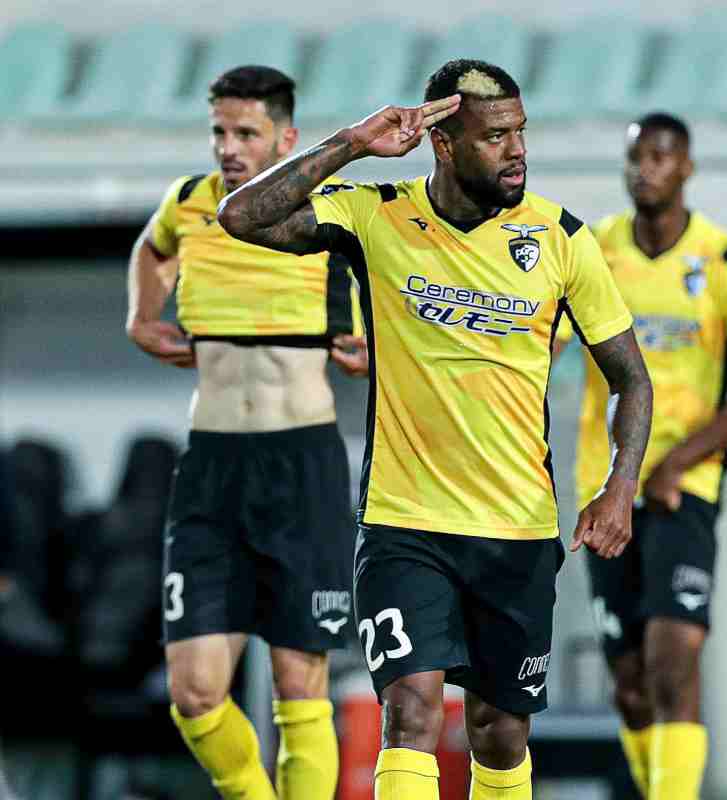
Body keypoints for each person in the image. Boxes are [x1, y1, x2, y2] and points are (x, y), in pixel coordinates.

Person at [217, 59, 653, 800]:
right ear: (443, 144)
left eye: (520, 132)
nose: (517, 150)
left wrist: (620, 485)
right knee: (410, 711)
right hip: (404, 523)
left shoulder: (561, 238)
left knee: (499, 731)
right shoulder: (376, 214)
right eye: (495, 136)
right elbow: (241, 216)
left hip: (516, 529)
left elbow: (631, 378)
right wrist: (353, 144)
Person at [126, 65, 366, 800]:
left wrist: (377, 346)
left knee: (300, 683)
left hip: (302, 461)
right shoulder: (188, 202)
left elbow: (400, 290)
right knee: (195, 692)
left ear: (286, 138)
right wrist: (140, 315)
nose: (228, 148)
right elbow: (152, 249)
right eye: (219, 132)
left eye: (246, 133)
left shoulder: (324, 214)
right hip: (212, 466)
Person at [568, 112, 727, 799]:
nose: (646, 169)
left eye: (661, 157)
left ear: (687, 167)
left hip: (684, 489)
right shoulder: (592, 250)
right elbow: (538, 341)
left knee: (673, 661)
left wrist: (679, 461)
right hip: (605, 487)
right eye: (637, 157)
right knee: (630, 686)